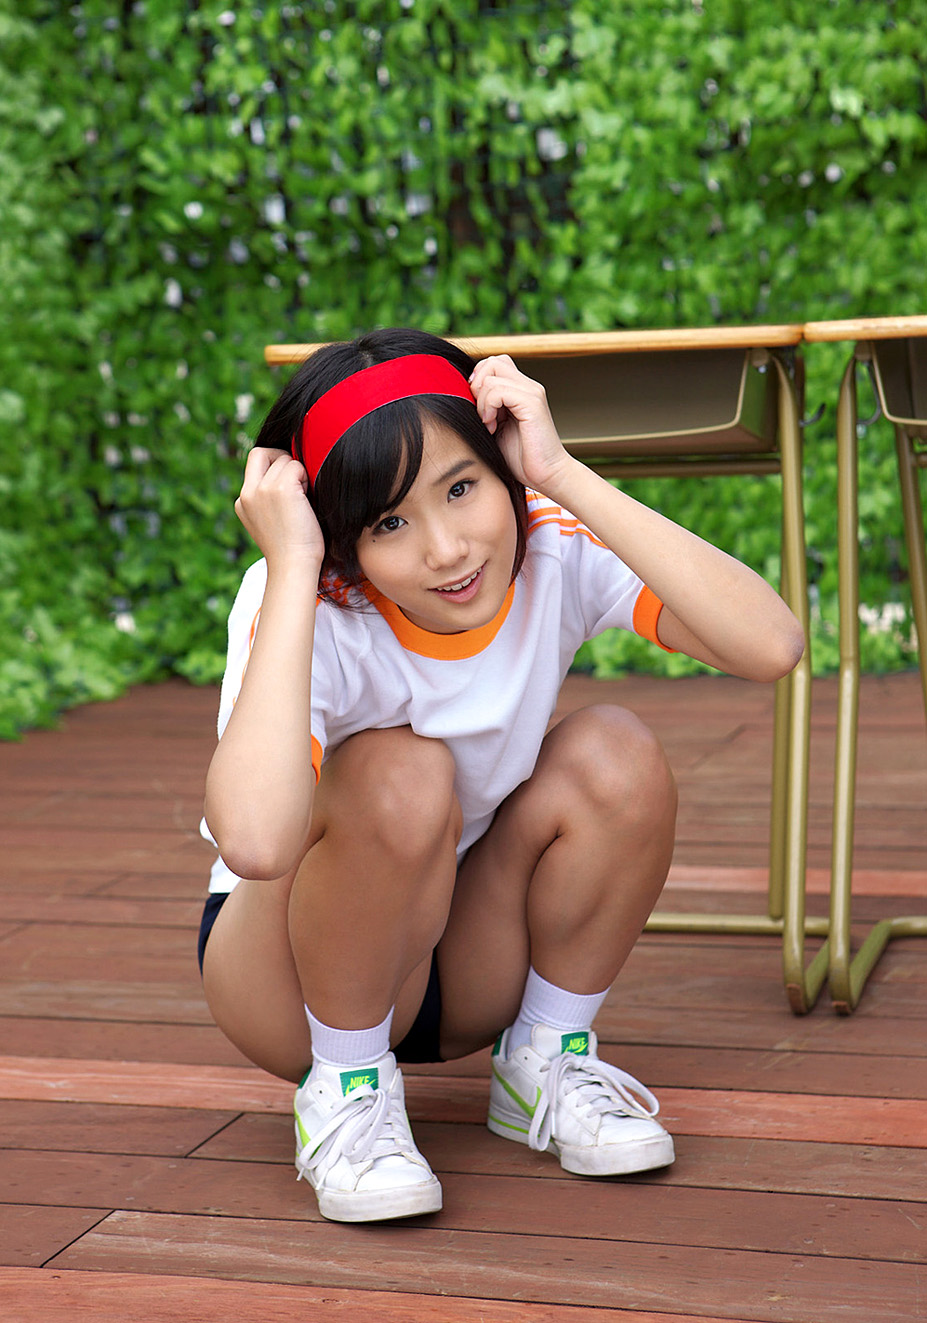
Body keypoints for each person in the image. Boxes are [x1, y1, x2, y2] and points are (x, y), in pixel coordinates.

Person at [200, 327, 804, 1224]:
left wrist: (559, 473)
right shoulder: (309, 599)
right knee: (402, 771)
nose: (447, 549)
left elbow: (771, 644)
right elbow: (254, 842)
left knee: (614, 750)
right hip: (287, 978)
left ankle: (543, 1060)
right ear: (341, 542)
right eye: (389, 522)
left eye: (462, 487)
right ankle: (346, 1089)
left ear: (502, 469)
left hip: (466, 957)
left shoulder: (547, 540)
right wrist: (290, 566)